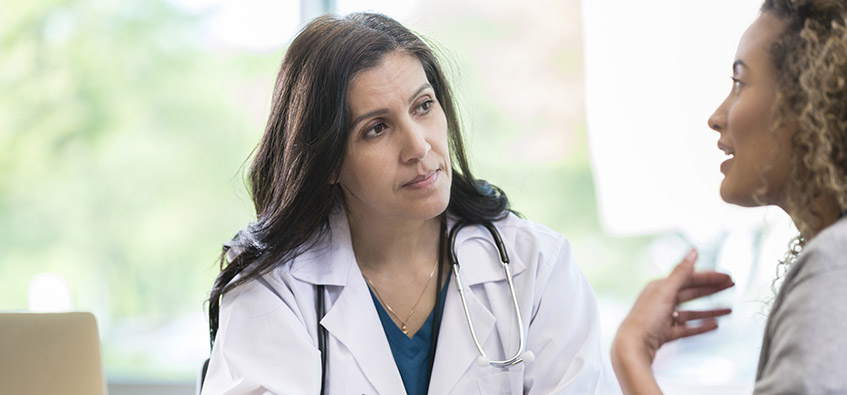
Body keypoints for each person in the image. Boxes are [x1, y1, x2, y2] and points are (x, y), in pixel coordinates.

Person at [201, 12, 618, 394]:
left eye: (423, 106)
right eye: (377, 129)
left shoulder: (537, 266)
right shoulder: (276, 287)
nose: (418, 146)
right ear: (327, 161)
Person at [612, 0, 847, 393]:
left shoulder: (834, 268)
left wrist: (630, 352)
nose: (717, 116)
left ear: (811, 99)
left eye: (740, 83)